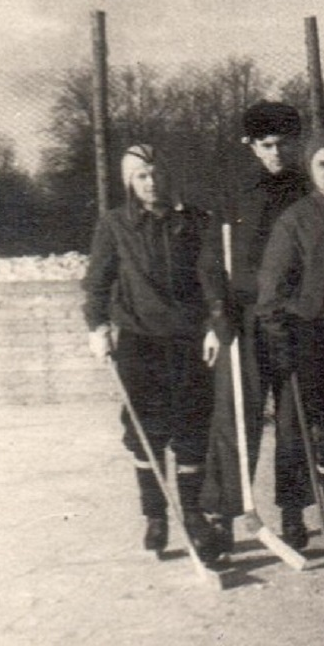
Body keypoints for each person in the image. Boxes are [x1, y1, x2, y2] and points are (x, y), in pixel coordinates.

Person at [84, 144, 221, 559]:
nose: (151, 182)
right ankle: (156, 516)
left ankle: (194, 515)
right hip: (140, 342)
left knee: (192, 431)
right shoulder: (115, 225)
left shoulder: (194, 222)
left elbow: (212, 276)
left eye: (157, 173)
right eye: (141, 175)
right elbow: (97, 281)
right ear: (129, 180)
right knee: (146, 433)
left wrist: (216, 323)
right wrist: (97, 326)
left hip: (190, 341)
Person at [200, 101, 310, 552]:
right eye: (267, 145)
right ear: (251, 145)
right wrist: (217, 311)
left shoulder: (306, 190)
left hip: (293, 319)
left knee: (294, 418)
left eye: (285, 143)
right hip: (244, 321)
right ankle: (224, 515)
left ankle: (293, 511)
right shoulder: (233, 193)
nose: (277, 153)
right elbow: (210, 261)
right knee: (236, 416)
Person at [256, 129, 324, 559]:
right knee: (295, 429)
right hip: (309, 336)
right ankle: (291, 513)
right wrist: (284, 344)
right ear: (310, 169)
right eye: (323, 164)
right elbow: (271, 291)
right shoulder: (297, 219)